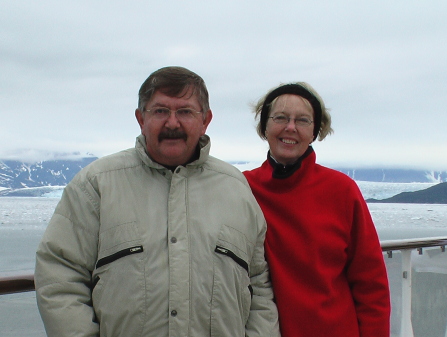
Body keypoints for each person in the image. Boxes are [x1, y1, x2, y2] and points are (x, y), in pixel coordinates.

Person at [35, 66, 280, 337]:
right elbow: (60, 275)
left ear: (205, 120)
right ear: (141, 119)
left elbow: (259, 286)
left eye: (185, 112)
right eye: (160, 111)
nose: (172, 123)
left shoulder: (235, 189)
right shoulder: (96, 185)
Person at [243, 82, 391, 337]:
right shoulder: (243, 189)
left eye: (302, 120)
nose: (290, 127)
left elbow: (371, 285)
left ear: (315, 132)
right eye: (280, 118)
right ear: (264, 127)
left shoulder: (341, 191)